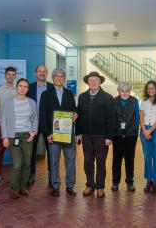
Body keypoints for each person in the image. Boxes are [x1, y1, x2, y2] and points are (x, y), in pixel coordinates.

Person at [76, 71, 116, 198]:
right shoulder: (82, 97)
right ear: (87, 82)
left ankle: (100, 186)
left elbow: (111, 119)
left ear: (100, 82)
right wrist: (78, 133)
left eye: (96, 80)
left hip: (101, 137)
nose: (93, 82)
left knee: (100, 162)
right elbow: (78, 116)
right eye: (91, 80)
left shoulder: (108, 97)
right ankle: (89, 185)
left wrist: (109, 137)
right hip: (86, 136)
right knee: (87, 161)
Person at [39, 68, 77, 196]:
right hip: (53, 134)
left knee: (70, 160)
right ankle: (55, 185)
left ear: (64, 78)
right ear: (53, 78)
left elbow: (73, 109)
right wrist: (48, 133)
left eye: (61, 76)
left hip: (68, 133)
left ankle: (70, 185)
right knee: (54, 160)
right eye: (56, 76)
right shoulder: (45, 94)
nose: (59, 78)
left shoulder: (69, 93)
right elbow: (42, 116)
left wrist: (75, 114)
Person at [1, 78, 38, 199]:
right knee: (17, 164)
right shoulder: (8, 103)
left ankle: (23, 186)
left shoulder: (32, 103)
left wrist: (33, 133)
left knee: (27, 163)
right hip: (14, 136)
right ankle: (14, 189)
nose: (22, 88)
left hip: (28, 136)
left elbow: (35, 119)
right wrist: (5, 137)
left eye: (25, 86)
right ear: (16, 87)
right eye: (20, 86)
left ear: (28, 89)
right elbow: (4, 120)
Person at [27, 65, 53, 186]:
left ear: (47, 73)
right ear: (35, 73)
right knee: (31, 150)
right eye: (39, 71)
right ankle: (31, 174)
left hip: (48, 123)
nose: (42, 73)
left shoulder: (52, 87)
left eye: (44, 71)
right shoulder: (29, 87)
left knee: (51, 150)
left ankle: (51, 174)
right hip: (33, 123)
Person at [0, 66, 17, 185]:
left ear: (15, 76)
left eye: (13, 74)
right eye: (9, 74)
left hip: (16, 126)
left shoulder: (19, 89)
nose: (11, 76)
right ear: (5, 75)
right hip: (2, 126)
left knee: (16, 150)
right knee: (1, 149)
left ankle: (16, 175)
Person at [111, 82, 139, 192]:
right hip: (117, 135)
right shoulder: (113, 101)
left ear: (130, 91)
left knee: (129, 160)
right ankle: (115, 182)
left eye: (127, 91)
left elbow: (137, 117)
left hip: (131, 135)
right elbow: (112, 118)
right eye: (122, 91)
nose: (125, 93)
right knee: (116, 160)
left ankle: (129, 182)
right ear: (119, 91)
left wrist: (135, 131)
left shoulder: (134, 101)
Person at [140, 80, 156, 194]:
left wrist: (150, 130)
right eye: (148, 88)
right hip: (144, 131)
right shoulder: (144, 102)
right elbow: (141, 117)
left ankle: (155, 181)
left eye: (152, 88)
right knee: (147, 156)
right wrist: (144, 131)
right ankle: (148, 180)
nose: (150, 90)